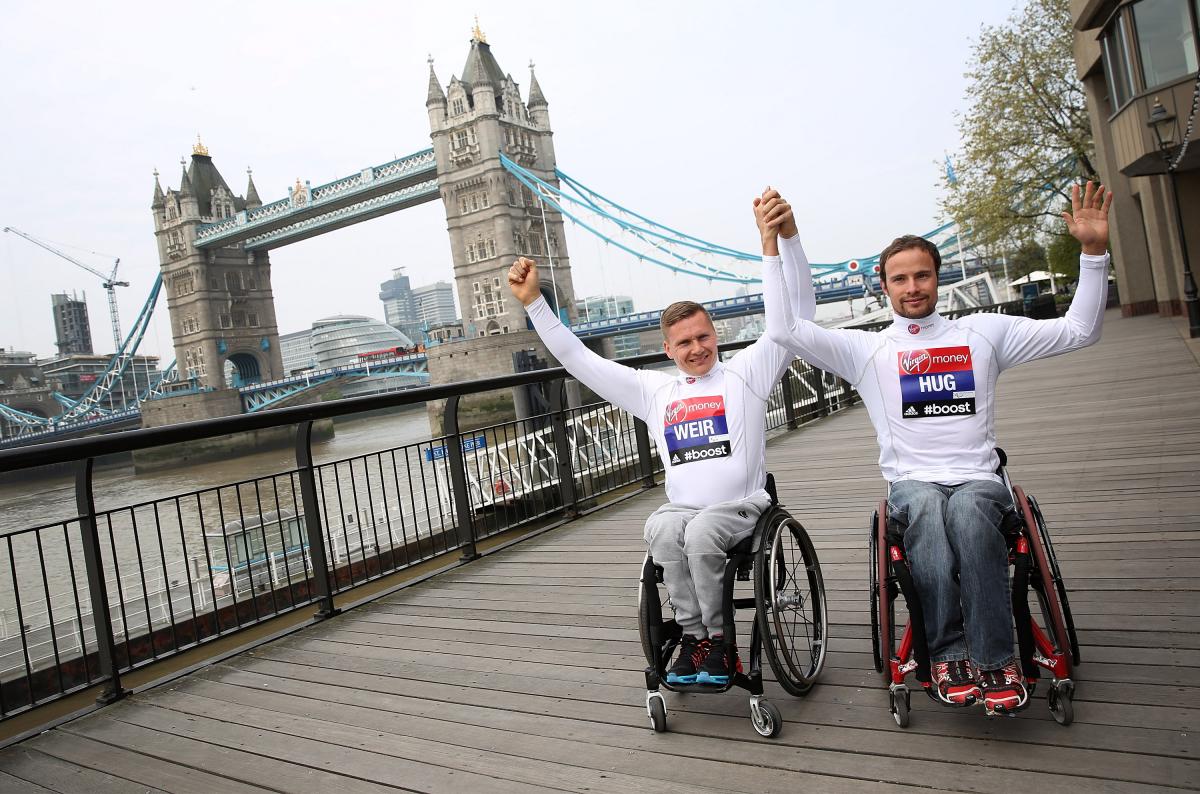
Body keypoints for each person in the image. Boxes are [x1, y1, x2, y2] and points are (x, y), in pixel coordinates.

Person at [755, 182, 1112, 715]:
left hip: (980, 481)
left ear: (937, 278)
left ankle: (995, 660)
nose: (913, 286)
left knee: (968, 512)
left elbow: (1080, 330)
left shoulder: (983, 332)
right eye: (900, 278)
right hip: (912, 485)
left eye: (922, 274)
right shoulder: (867, 350)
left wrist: (1093, 251)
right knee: (923, 506)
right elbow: (784, 329)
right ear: (884, 288)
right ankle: (947, 656)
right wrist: (780, 242)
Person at [506, 204, 810, 685]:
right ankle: (692, 638)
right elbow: (577, 359)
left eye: (703, 336)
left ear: (716, 336)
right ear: (668, 349)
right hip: (685, 512)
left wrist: (778, 244)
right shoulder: (655, 392)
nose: (696, 349)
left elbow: (794, 317)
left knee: (704, 530)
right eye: (684, 342)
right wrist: (533, 302)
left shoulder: (747, 374)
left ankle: (720, 641)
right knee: (664, 528)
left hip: (743, 508)